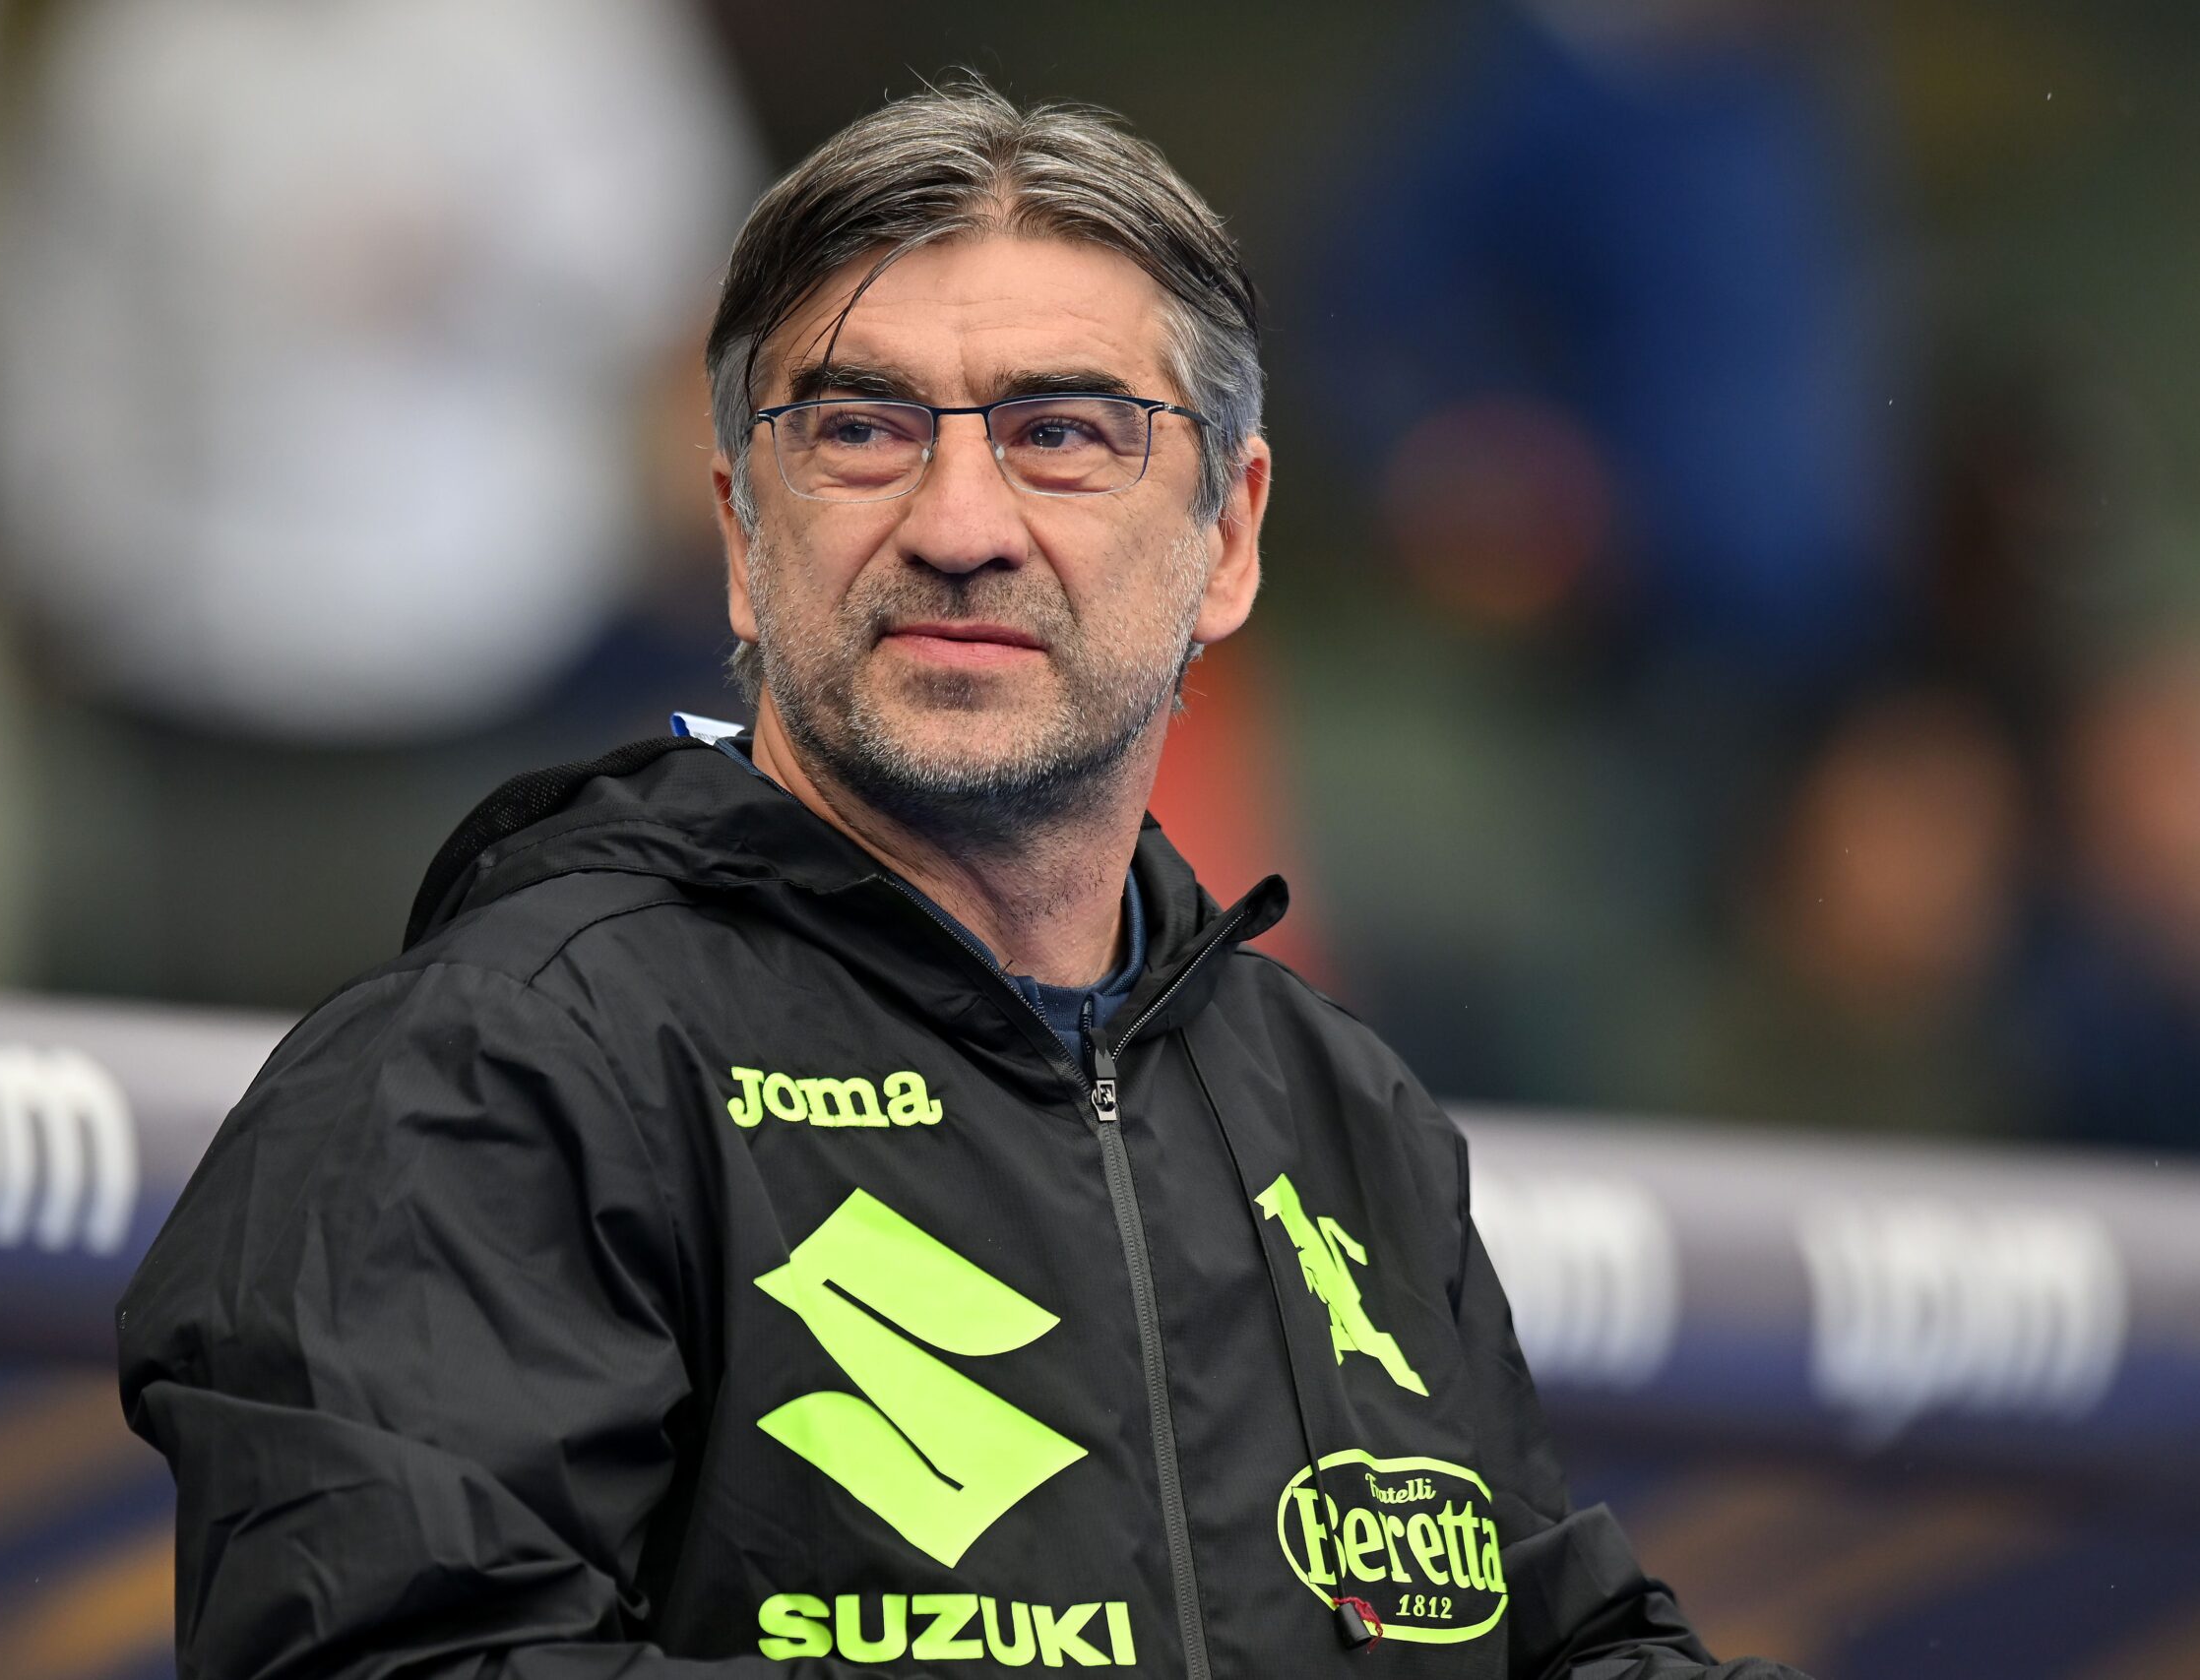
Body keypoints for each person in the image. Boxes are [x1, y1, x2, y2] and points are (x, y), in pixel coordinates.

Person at [118, 80, 1809, 1678]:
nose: (958, 523)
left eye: (1061, 434)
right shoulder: (500, 1070)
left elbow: (1555, 1643)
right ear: (741, 534)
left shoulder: (1337, 1112)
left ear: (1228, 539)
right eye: (862, 431)